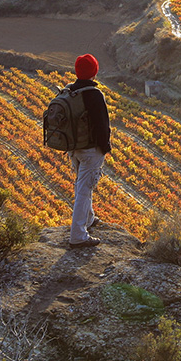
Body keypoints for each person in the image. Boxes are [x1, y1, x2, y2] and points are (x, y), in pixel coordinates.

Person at [67, 53, 111, 249]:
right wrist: (105, 148)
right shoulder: (94, 94)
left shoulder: (70, 91)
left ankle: (89, 218)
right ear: (94, 72)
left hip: (73, 147)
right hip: (91, 149)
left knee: (82, 184)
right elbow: (103, 126)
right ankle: (78, 235)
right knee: (84, 189)